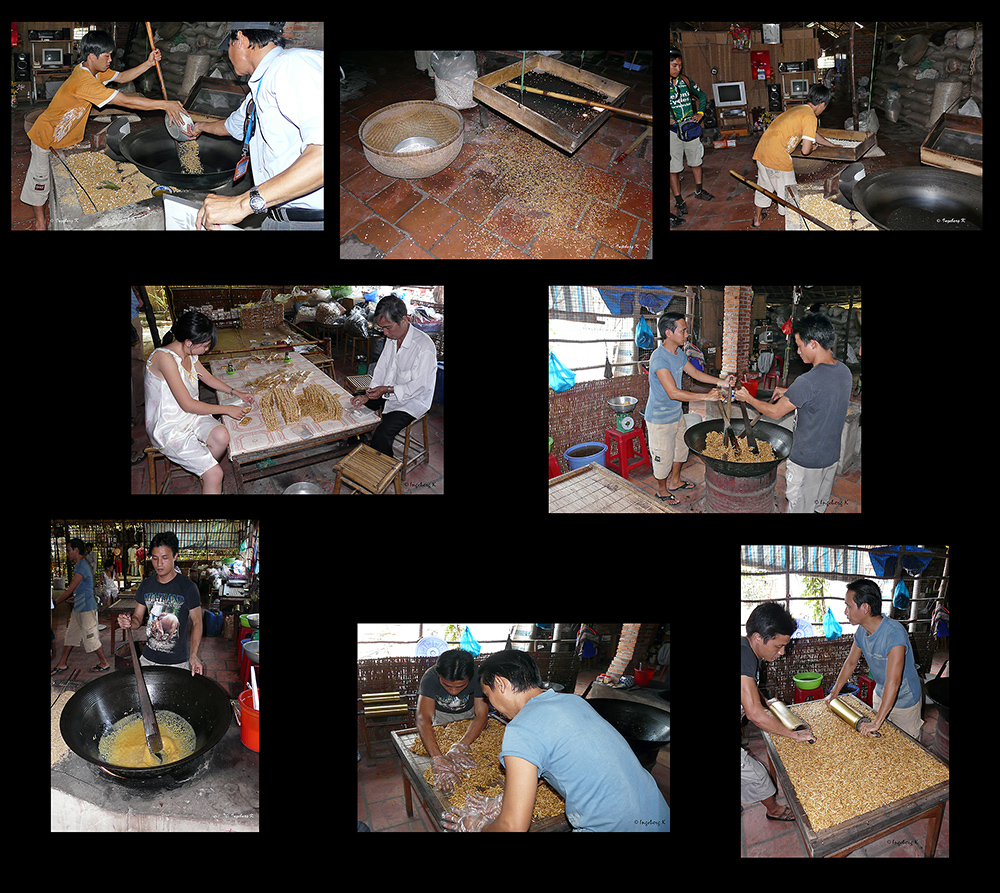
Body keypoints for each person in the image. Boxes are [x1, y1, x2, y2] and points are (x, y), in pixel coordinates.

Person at [20, 29, 188, 230]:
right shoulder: (83, 82)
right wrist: (164, 105)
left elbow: (123, 76)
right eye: (106, 56)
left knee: (60, 177)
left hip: (65, 139)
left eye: (111, 55)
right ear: (92, 56)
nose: (110, 60)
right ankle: (40, 222)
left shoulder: (93, 71)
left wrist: (148, 63)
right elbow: (126, 101)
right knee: (40, 182)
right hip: (44, 137)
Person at [193, 22, 324, 230]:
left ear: (241, 40)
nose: (228, 54)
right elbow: (230, 126)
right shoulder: (257, 90)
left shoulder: (293, 65)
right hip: (275, 215)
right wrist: (199, 126)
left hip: (310, 221)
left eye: (229, 46)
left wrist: (242, 203)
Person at [734, 313, 851, 512]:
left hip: (806, 462)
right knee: (818, 506)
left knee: (799, 508)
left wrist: (749, 399)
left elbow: (775, 412)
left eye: (799, 345)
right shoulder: (844, 371)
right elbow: (822, 393)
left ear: (813, 344)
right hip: (830, 457)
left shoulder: (807, 381)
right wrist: (789, 392)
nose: (798, 351)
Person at [144, 311, 252, 495]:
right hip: (169, 426)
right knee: (216, 474)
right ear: (188, 342)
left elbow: (208, 378)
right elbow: (187, 404)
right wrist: (227, 409)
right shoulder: (165, 358)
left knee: (221, 436)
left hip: (190, 417)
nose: (207, 350)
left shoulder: (189, 353)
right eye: (205, 345)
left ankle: (204, 469)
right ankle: (210, 476)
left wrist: (236, 392)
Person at [350, 295, 435, 459]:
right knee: (354, 402)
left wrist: (385, 389)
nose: (385, 333)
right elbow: (382, 369)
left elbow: (419, 386)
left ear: (404, 319)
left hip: (412, 400)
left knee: (382, 434)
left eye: (388, 327)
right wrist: (370, 393)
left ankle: (385, 473)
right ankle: (358, 442)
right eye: (382, 328)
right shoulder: (392, 338)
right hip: (388, 391)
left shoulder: (424, 346)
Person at [750, 84, 838, 228]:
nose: (823, 110)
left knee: (763, 187)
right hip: (778, 158)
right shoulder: (810, 117)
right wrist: (813, 148)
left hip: (762, 152)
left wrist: (831, 145)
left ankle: (757, 218)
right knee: (790, 196)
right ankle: (794, 225)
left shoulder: (799, 109)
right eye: (825, 107)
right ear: (822, 104)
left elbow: (813, 133)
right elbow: (805, 150)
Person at [118, 532, 204, 676]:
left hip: (178, 662)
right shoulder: (146, 585)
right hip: (148, 660)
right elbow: (137, 618)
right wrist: (128, 622)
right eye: (155, 558)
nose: (159, 564)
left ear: (175, 556)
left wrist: (194, 655)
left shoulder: (188, 587)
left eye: (165, 558)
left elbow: (197, 622)